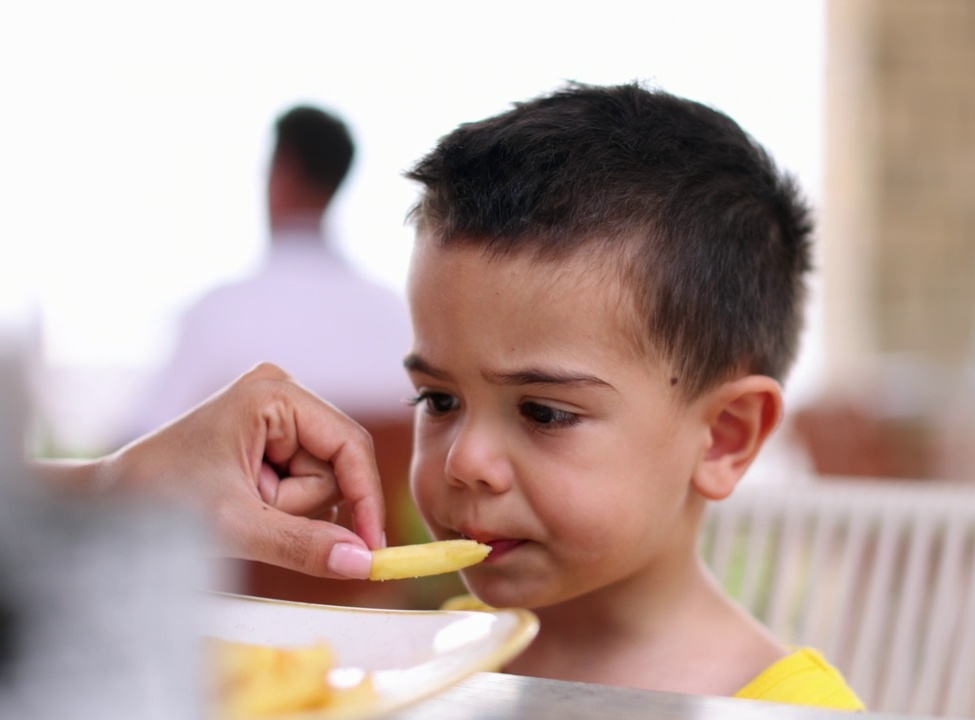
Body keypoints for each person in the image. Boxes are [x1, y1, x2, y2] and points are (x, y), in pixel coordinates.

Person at [398, 82, 863, 710]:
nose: (465, 462)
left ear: (726, 435)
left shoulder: (786, 710)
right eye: (439, 400)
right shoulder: (432, 659)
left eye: (544, 412)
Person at [127, 105, 411, 438]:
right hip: (373, 491)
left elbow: (141, 440)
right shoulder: (396, 317)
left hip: (238, 491)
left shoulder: (219, 313)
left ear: (283, 171)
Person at [37, 363, 385, 579]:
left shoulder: (212, 309)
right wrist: (121, 485)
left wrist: (111, 479)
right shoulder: (382, 309)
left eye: (440, 401)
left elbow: (133, 429)